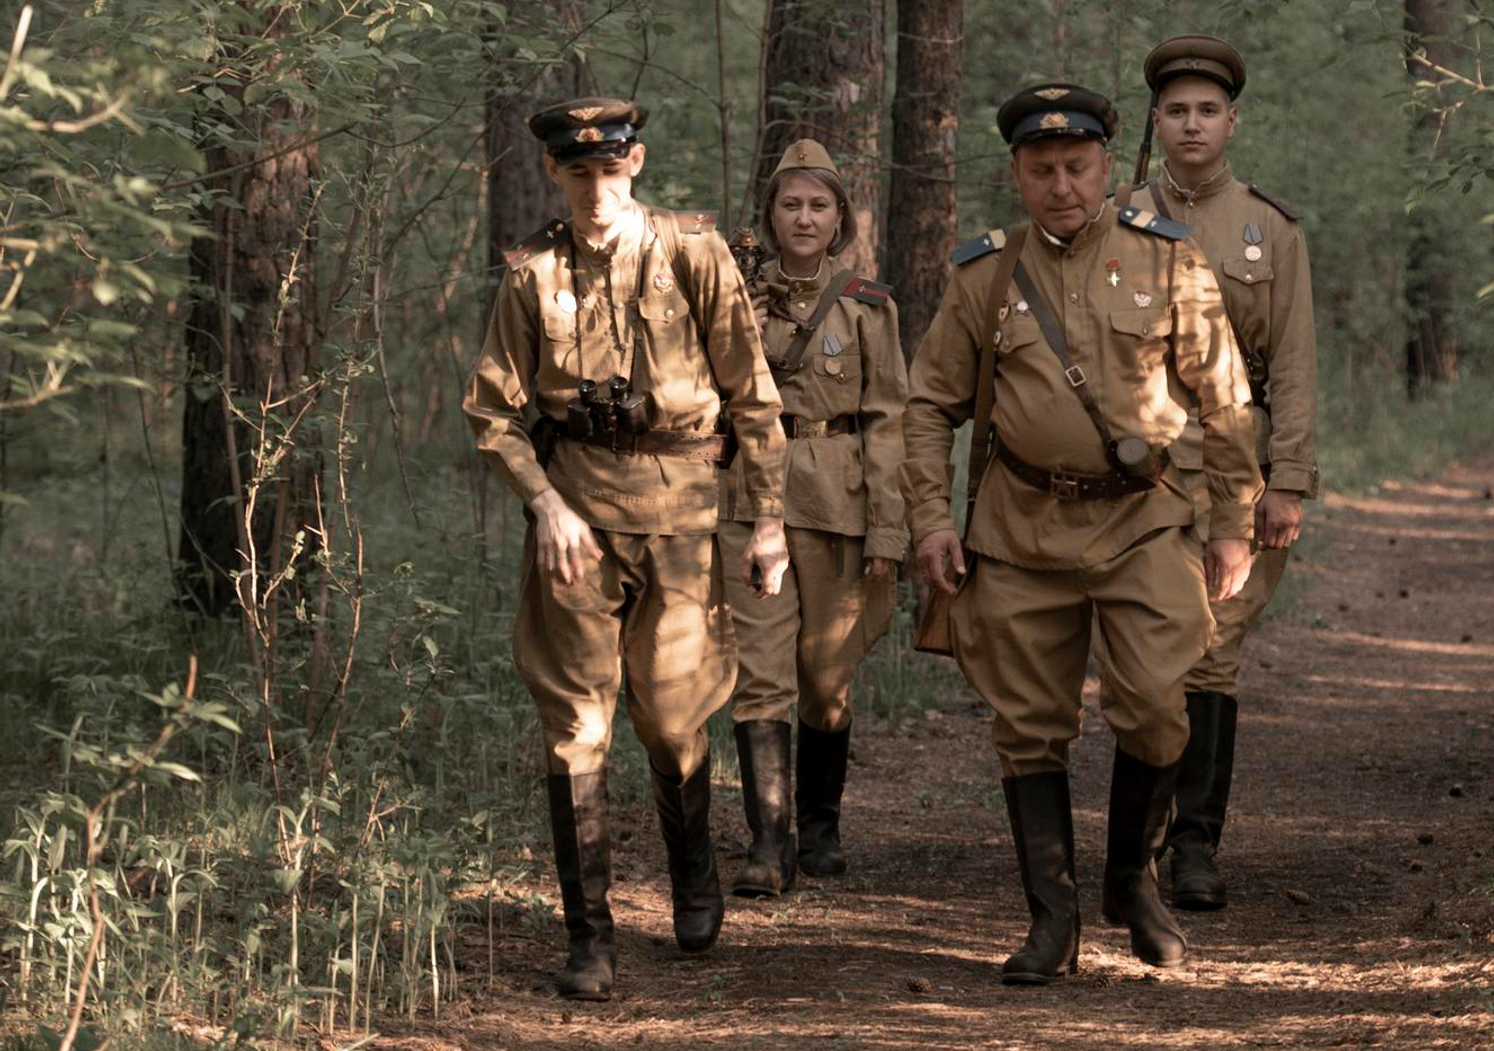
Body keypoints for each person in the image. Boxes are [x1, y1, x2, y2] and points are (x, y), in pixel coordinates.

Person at [904, 83, 1261, 985]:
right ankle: (1051, 921)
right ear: (1018, 175)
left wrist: (1233, 525)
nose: (1061, 185)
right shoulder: (986, 276)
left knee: (1154, 705)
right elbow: (924, 410)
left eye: (1077, 167)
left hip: (1144, 526)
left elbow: (1226, 403)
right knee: (1028, 728)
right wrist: (930, 521)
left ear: (1107, 168)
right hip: (1021, 533)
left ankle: (1130, 884)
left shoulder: (1169, 262)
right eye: (1042, 169)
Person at [463, 98, 789, 1001]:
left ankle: (694, 875)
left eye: (609, 170)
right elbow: (492, 415)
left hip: (682, 523)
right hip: (577, 527)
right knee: (578, 727)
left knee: (676, 717)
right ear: (555, 175)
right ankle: (590, 937)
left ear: (635, 164)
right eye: (577, 173)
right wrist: (545, 504)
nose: (595, 189)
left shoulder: (693, 253)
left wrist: (766, 520)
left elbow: (753, 397)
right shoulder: (532, 276)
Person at [1128, 36, 1317, 911]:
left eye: (1208, 110)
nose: (1192, 124)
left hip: (1238, 468)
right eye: (1177, 110)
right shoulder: (1117, 217)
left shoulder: (1269, 231)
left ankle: (1194, 848)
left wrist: (1289, 481)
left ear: (1232, 122)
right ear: (1156, 122)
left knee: (1214, 657)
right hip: (1144, 470)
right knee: (1147, 656)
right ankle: (1140, 842)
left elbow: (1299, 366)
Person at [718, 138, 908, 895]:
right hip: (748, 497)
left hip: (838, 502)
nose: (803, 218)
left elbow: (889, 420)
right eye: (790, 204)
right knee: (761, 673)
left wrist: (890, 530)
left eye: (818, 205)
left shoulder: (868, 306)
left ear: (839, 219)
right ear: (770, 215)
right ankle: (770, 843)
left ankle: (820, 825)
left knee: (825, 677)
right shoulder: (733, 293)